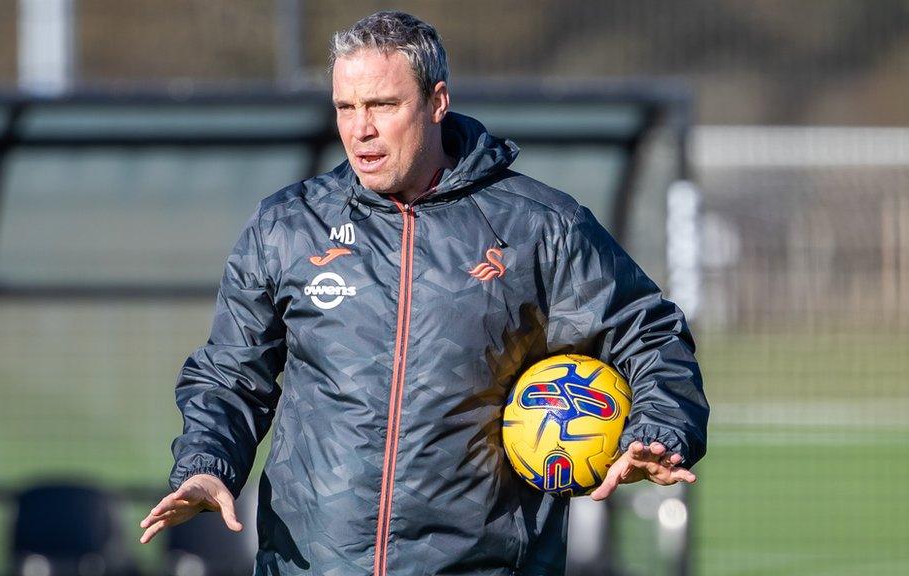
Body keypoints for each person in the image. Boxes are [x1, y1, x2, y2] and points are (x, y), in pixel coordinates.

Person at [140, 10, 709, 576]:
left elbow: (649, 332)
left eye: (383, 106)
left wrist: (656, 429)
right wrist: (207, 463)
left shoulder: (539, 227)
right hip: (312, 564)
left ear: (436, 102)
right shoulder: (287, 227)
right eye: (346, 107)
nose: (361, 129)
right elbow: (232, 375)